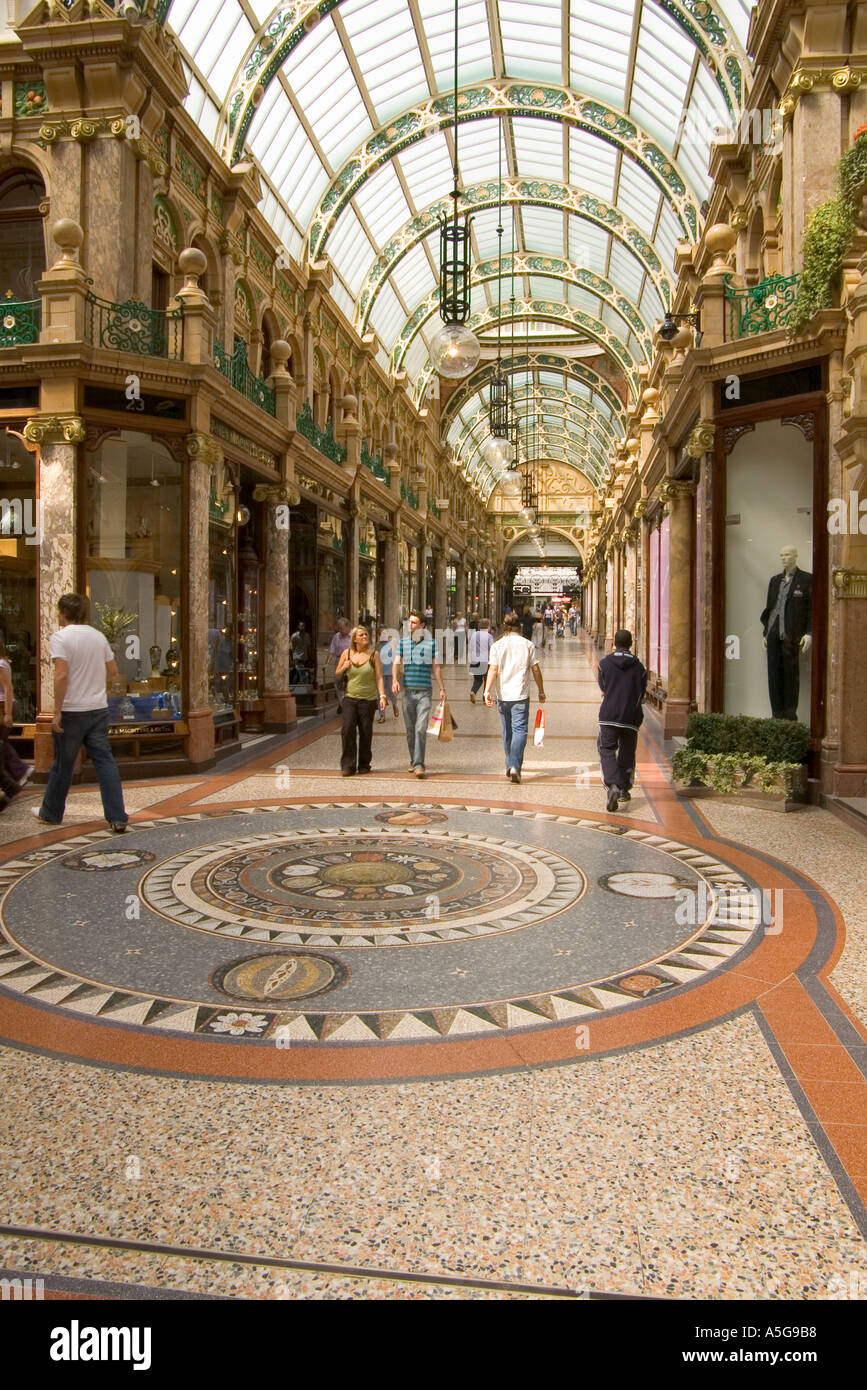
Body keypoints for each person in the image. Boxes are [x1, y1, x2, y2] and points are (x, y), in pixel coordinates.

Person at [31, 593, 128, 831]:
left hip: (72, 710)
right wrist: (95, 685)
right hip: (97, 709)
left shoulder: (60, 638)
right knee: (105, 761)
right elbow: (113, 670)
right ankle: (117, 817)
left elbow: (61, 675)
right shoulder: (98, 637)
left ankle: (51, 813)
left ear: (63, 612)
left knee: (63, 764)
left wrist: (57, 711)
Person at [483, 613, 546, 783]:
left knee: (507, 731)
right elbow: (535, 670)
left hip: (503, 695)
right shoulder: (527, 644)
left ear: (505, 626)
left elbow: (493, 670)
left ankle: (510, 764)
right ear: (520, 627)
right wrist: (541, 690)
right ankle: (515, 766)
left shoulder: (497, 645)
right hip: (520, 694)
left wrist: (486, 691)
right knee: (520, 730)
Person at [597, 628, 647, 812]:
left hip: (609, 714)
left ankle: (612, 786)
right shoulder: (640, 667)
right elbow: (642, 693)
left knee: (607, 749)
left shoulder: (604, 664)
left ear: (613, 644)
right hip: (631, 716)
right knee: (627, 751)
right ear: (631, 643)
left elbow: (603, 686)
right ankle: (624, 789)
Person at [392, 609, 445, 778]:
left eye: (414, 622)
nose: (410, 625)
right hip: (408, 691)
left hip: (424, 692)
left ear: (422, 625)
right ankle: (413, 760)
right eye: (409, 622)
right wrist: (394, 680)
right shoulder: (403, 642)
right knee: (410, 730)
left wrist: (442, 687)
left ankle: (419, 764)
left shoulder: (431, 644)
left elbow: (436, 667)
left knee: (420, 728)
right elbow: (396, 662)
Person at [335, 625, 387, 775]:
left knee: (365, 732)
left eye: (366, 634)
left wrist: (382, 696)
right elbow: (337, 672)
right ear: (355, 639)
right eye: (362, 635)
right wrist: (344, 666)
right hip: (350, 698)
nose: (365, 637)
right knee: (347, 730)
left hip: (368, 700)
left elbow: (379, 677)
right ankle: (348, 765)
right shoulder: (347, 653)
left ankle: (364, 764)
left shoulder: (374, 655)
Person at [0, 638, 25, 811]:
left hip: (1, 707)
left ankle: (15, 778)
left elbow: (8, 689)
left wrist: (7, 713)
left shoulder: (1, 664)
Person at [323, 617, 351, 707]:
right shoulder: (336, 636)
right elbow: (331, 651)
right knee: (337, 682)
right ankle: (342, 703)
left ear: (347, 627)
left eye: (341, 628)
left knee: (350, 683)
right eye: (338, 628)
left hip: (351, 661)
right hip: (339, 661)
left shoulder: (354, 635)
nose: (339, 630)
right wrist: (327, 663)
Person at [376, 624, 400, 722]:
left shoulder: (392, 643)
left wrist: (397, 673)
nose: (383, 635)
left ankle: (394, 704)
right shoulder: (378, 645)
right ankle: (382, 715)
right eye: (381, 633)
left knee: (390, 692)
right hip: (380, 672)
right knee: (380, 694)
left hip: (390, 672)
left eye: (384, 633)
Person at [468, 619, 493, 702]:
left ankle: (473, 691)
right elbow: (492, 648)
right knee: (487, 679)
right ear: (487, 627)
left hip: (474, 659)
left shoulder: (474, 634)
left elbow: (471, 647)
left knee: (477, 679)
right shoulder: (489, 636)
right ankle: (484, 697)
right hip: (485, 660)